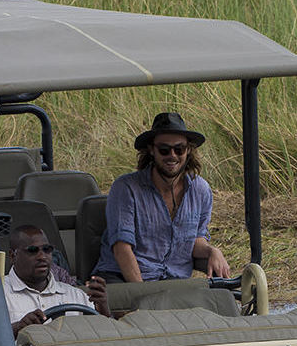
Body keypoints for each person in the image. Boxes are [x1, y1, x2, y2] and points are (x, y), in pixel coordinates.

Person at [93, 112, 231, 283]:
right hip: (123, 279)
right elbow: (122, 249)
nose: (172, 155)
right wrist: (144, 296)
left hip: (172, 282)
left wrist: (213, 252)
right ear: (151, 150)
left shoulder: (200, 189)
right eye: (164, 150)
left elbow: (195, 240)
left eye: (179, 149)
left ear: (188, 150)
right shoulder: (126, 188)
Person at [0, 224, 109, 346]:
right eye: (32, 250)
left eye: (47, 249)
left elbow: (105, 339)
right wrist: (18, 328)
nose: (42, 256)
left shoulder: (75, 295)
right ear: (12, 256)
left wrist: (103, 309)